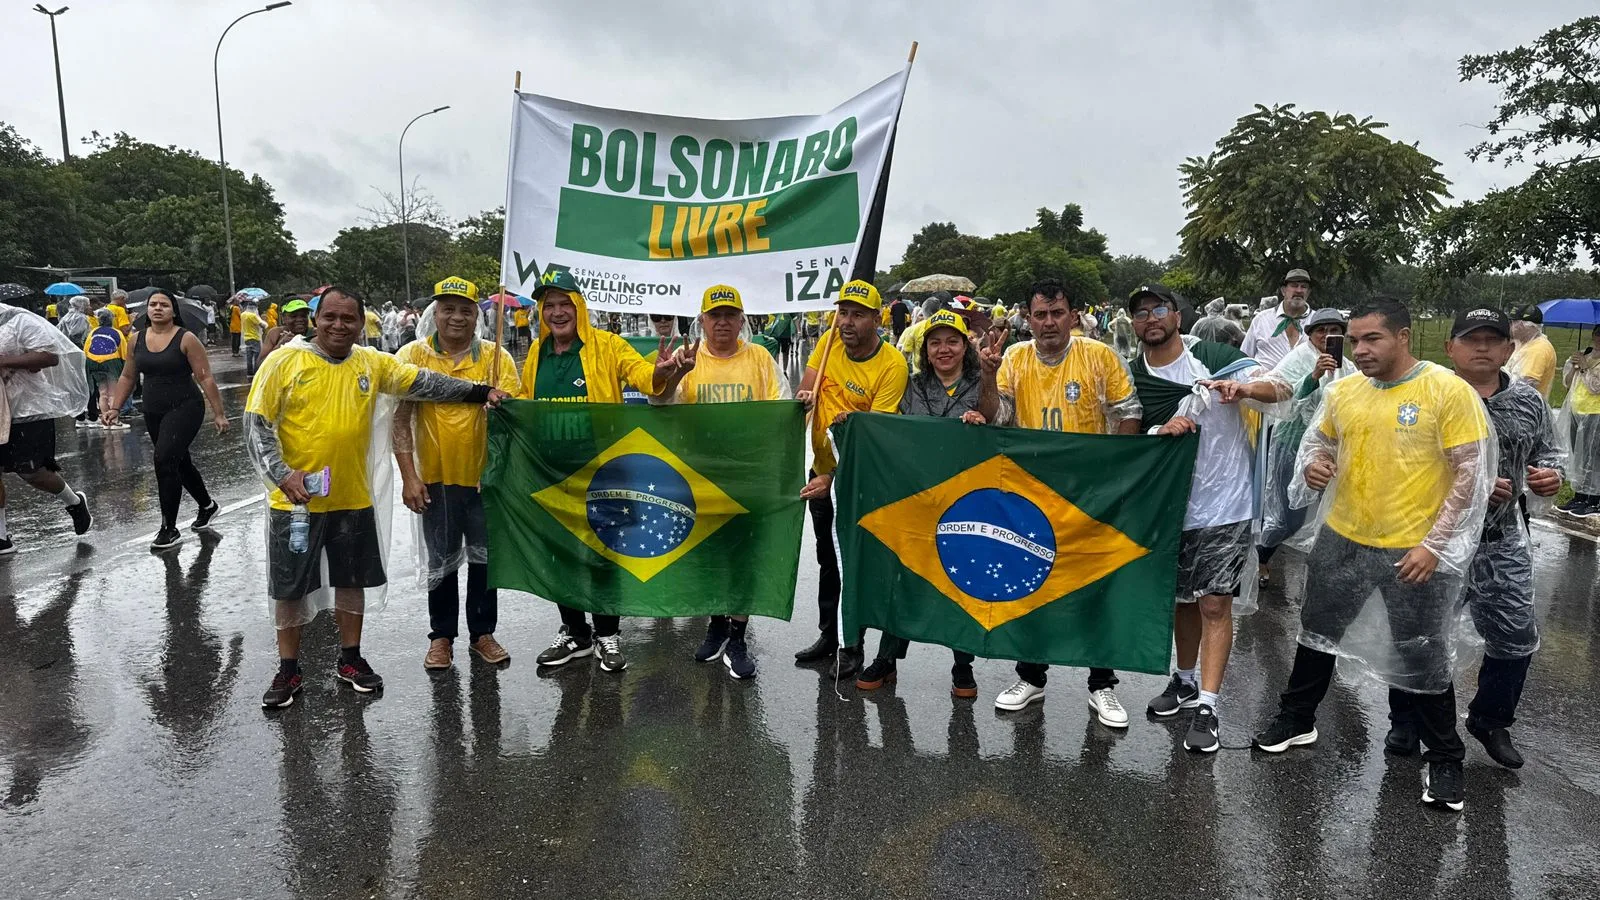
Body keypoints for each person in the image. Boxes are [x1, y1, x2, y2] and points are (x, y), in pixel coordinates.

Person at [1253, 298, 1494, 813]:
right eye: (1354, 340)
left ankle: (1444, 758)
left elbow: (1471, 475)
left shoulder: (1445, 390)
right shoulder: (1344, 391)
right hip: (1343, 537)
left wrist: (1435, 545)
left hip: (1415, 549)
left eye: (1372, 339)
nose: (1359, 350)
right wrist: (1315, 464)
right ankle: (1297, 719)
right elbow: (1317, 443)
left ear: (1403, 337)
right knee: (1316, 634)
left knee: (1423, 652)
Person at [246, 286, 511, 708]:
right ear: (316, 319)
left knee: (352, 583)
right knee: (291, 588)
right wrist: (282, 476)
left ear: (360, 323)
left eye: (348, 318)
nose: (339, 325)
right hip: (295, 503)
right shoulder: (283, 361)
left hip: (353, 497)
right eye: (330, 317)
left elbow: (425, 383)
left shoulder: (371, 362)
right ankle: (288, 669)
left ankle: (350, 659)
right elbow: (256, 424)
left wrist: (481, 392)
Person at [1384, 307, 1560, 770]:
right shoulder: (1427, 393)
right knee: (1417, 631)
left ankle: (1491, 719)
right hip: (1433, 540)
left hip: (1500, 539)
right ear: (1450, 348)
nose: (1481, 347)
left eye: (1492, 339)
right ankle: (1405, 718)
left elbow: (1549, 452)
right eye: (1470, 339)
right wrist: (1472, 484)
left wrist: (1549, 476)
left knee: (1515, 634)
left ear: (1509, 349)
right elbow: (1399, 461)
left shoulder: (1528, 401)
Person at [989, 279, 1142, 724]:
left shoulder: (1099, 355)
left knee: (1096, 589)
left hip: (1090, 495)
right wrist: (984, 375)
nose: (1049, 322)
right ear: (1028, 318)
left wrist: (1113, 475)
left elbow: (1128, 412)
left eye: (1057, 313)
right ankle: (1031, 677)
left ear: (1073, 316)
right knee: (1032, 584)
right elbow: (999, 416)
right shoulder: (1014, 358)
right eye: (1040, 315)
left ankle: (1102, 685)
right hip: (1031, 494)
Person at [522, 269, 689, 673]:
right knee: (561, 555)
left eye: (565, 304)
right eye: (549, 305)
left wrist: (664, 371)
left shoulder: (608, 345)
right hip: (553, 474)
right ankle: (575, 634)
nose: (557, 312)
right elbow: (526, 401)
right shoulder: (536, 353)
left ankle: (608, 634)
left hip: (603, 473)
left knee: (602, 554)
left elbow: (643, 377)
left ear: (579, 307)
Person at [1127, 284, 1269, 752]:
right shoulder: (1134, 376)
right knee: (1182, 600)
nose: (1151, 318)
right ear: (1133, 324)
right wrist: (1159, 429)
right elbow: (1125, 435)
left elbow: (1277, 388)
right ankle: (1184, 680)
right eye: (1141, 313)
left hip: (1226, 501)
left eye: (1159, 309)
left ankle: (1208, 704)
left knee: (1213, 603)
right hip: (1172, 504)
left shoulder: (1213, 356)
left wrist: (1244, 388)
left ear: (1177, 315)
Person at [854, 309, 999, 698]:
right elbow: (888, 428)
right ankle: (887, 658)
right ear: (925, 349)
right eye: (935, 342)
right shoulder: (913, 385)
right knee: (902, 576)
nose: (943, 349)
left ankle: (963, 664)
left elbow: (995, 414)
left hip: (964, 500)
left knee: (962, 578)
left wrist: (987, 384)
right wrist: (855, 424)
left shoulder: (980, 382)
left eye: (952, 341)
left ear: (965, 345)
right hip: (915, 496)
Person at [394, 277, 523, 672]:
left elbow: (512, 422)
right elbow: (400, 421)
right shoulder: (412, 355)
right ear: (435, 314)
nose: (456, 317)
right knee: (441, 561)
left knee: (486, 561)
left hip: (485, 481)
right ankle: (441, 637)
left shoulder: (496, 358)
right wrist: (409, 477)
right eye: (447, 309)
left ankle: (482, 633)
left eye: (465, 310)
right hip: (435, 479)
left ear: (476, 316)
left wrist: (498, 468)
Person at [656, 284, 784, 679]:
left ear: (742, 320)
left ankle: (739, 637)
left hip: (747, 475)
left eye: (730, 315)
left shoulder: (760, 358)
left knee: (743, 557)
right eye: (715, 315)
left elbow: (782, 408)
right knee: (711, 556)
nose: (723, 322)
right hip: (702, 477)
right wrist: (673, 375)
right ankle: (716, 626)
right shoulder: (689, 359)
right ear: (703, 320)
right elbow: (660, 405)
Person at [793, 280, 908, 678]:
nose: (846, 322)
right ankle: (830, 634)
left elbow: (873, 439)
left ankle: (852, 646)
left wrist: (834, 478)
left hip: (862, 480)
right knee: (828, 559)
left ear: (877, 319)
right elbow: (805, 391)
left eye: (858, 315)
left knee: (856, 561)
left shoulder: (891, 365)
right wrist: (804, 399)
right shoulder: (828, 343)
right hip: (823, 470)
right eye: (842, 313)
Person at [102, 291, 228, 551]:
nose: (158, 308)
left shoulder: (186, 338)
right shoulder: (135, 339)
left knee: (164, 459)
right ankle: (207, 505)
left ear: (173, 311)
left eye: (164, 305)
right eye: (153, 305)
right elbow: (128, 376)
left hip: (185, 407)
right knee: (178, 461)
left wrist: (219, 413)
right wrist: (115, 407)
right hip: (153, 410)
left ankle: (169, 529)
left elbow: (205, 377)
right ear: (147, 310)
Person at [1256, 308, 1356, 583]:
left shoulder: (1348, 367)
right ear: (1310, 334)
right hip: (1292, 443)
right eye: (1321, 330)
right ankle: (1261, 556)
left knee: (1332, 511)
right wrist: (1313, 376)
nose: (1327, 335)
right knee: (1289, 515)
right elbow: (1280, 395)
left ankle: (1327, 572)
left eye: (1334, 331)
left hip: (1330, 449)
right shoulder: (1297, 358)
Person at [0, 302, 94, 554]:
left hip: (28, 409)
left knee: (32, 472)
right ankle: (1, 536)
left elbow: (49, 356)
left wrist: (6, 361)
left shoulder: (18, 320)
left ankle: (74, 502)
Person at [1557, 324, 1600, 517]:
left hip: (1596, 413)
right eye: (1597, 334)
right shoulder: (1586, 355)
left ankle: (1595, 499)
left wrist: (1584, 368)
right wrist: (1574, 367)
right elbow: (1567, 383)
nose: (1598, 338)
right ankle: (1580, 495)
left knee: (1594, 458)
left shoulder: (1588, 362)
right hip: (1577, 412)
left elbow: (1596, 387)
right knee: (1580, 457)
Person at [1240, 269, 1312, 369]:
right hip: (1262, 378)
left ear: (1308, 292)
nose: (1299, 290)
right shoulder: (1261, 319)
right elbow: (1243, 358)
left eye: (1303, 287)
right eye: (1294, 285)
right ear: (1283, 290)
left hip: (1306, 378)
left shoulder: (1317, 321)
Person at [82, 309, 131, 431]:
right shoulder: (117, 333)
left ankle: (105, 420)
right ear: (111, 320)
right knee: (113, 393)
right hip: (111, 362)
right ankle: (114, 421)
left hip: (93, 363)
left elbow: (86, 350)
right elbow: (124, 353)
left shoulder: (93, 332)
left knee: (102, 393)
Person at [1507, 305, 1557, 401]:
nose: (1510, 326)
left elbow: (1524, 388)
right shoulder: (1525, 344)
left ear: (1526, 325)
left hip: (1525, 407)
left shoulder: (1538, 349)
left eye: (1513, 322)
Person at [260, 299, 311, 365]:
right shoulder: (275, 334)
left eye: (303, 316)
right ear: (283, 318)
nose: (300, 319)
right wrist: (280, 345)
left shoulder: (315, 334)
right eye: (293, 316)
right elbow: (260, 364)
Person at [241, 301, 266, 377]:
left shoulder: (243, 314)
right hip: (254, 337)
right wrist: (264, 321)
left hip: (246, 338)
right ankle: (256, 371)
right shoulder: (253, 316)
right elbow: (262, 325)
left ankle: (249, 372)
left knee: (249, 356)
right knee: (257, 356)